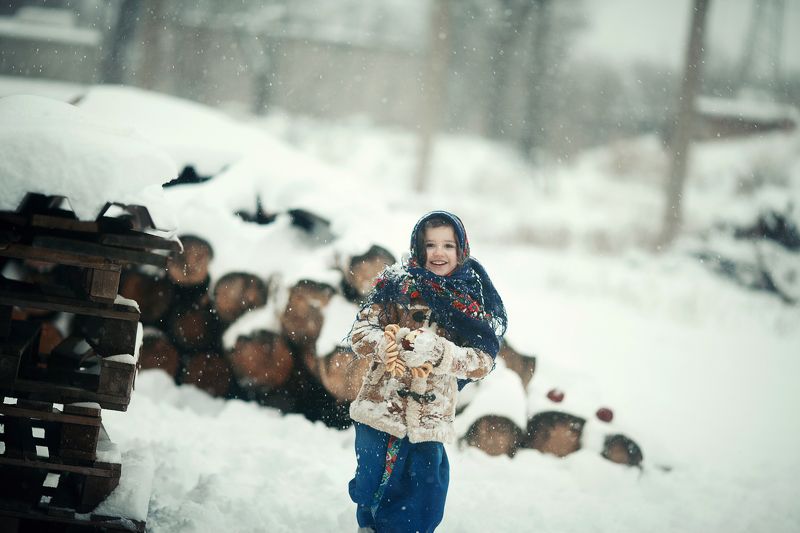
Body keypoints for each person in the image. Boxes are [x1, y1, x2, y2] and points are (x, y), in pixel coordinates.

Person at [347, 210, 507, 533]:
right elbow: (361, 332)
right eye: (430, 244)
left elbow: (481, 361)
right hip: (382, 407)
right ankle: (370, 526)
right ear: (418, 248)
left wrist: (441, 352)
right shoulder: (397, 284)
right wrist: (387, 344)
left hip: (430, 418)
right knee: (373, 481)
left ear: (461, 250)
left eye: (448, 245)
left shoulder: (470, 300)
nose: (438, 253)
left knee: (425, 490)